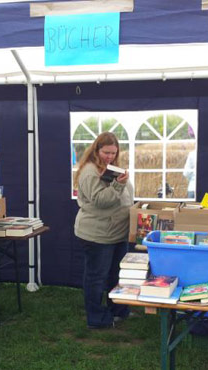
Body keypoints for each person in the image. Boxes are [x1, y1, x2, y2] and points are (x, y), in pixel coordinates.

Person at [74, 132, 134, 329]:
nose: (110, 156)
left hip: (117, 232)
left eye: (114, 153)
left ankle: (117, 310)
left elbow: (124, 194)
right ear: (96, 150)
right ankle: (97, 318)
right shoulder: (89, 171)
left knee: (116, 275)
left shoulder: (111, 168)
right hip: (98, 234)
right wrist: (118, 184)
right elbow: (100, 201)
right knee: (96, 277)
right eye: (106, 152)